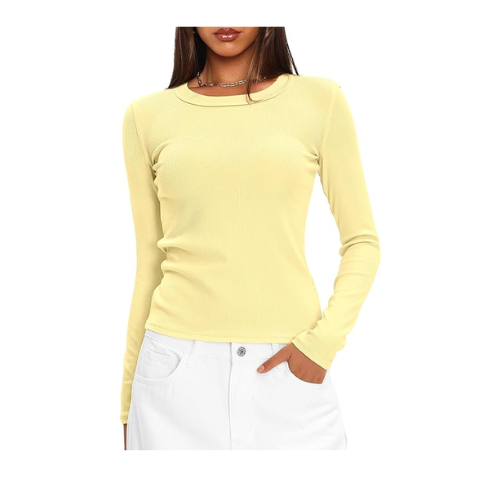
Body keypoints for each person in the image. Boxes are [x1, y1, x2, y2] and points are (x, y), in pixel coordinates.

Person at [120, 27, 381, 450]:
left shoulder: (320, 101)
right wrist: (127, 403)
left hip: (289, 369)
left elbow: (362, 242)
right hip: (174, 376)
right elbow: (149, 264)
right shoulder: (146, 116)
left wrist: (322, 346)